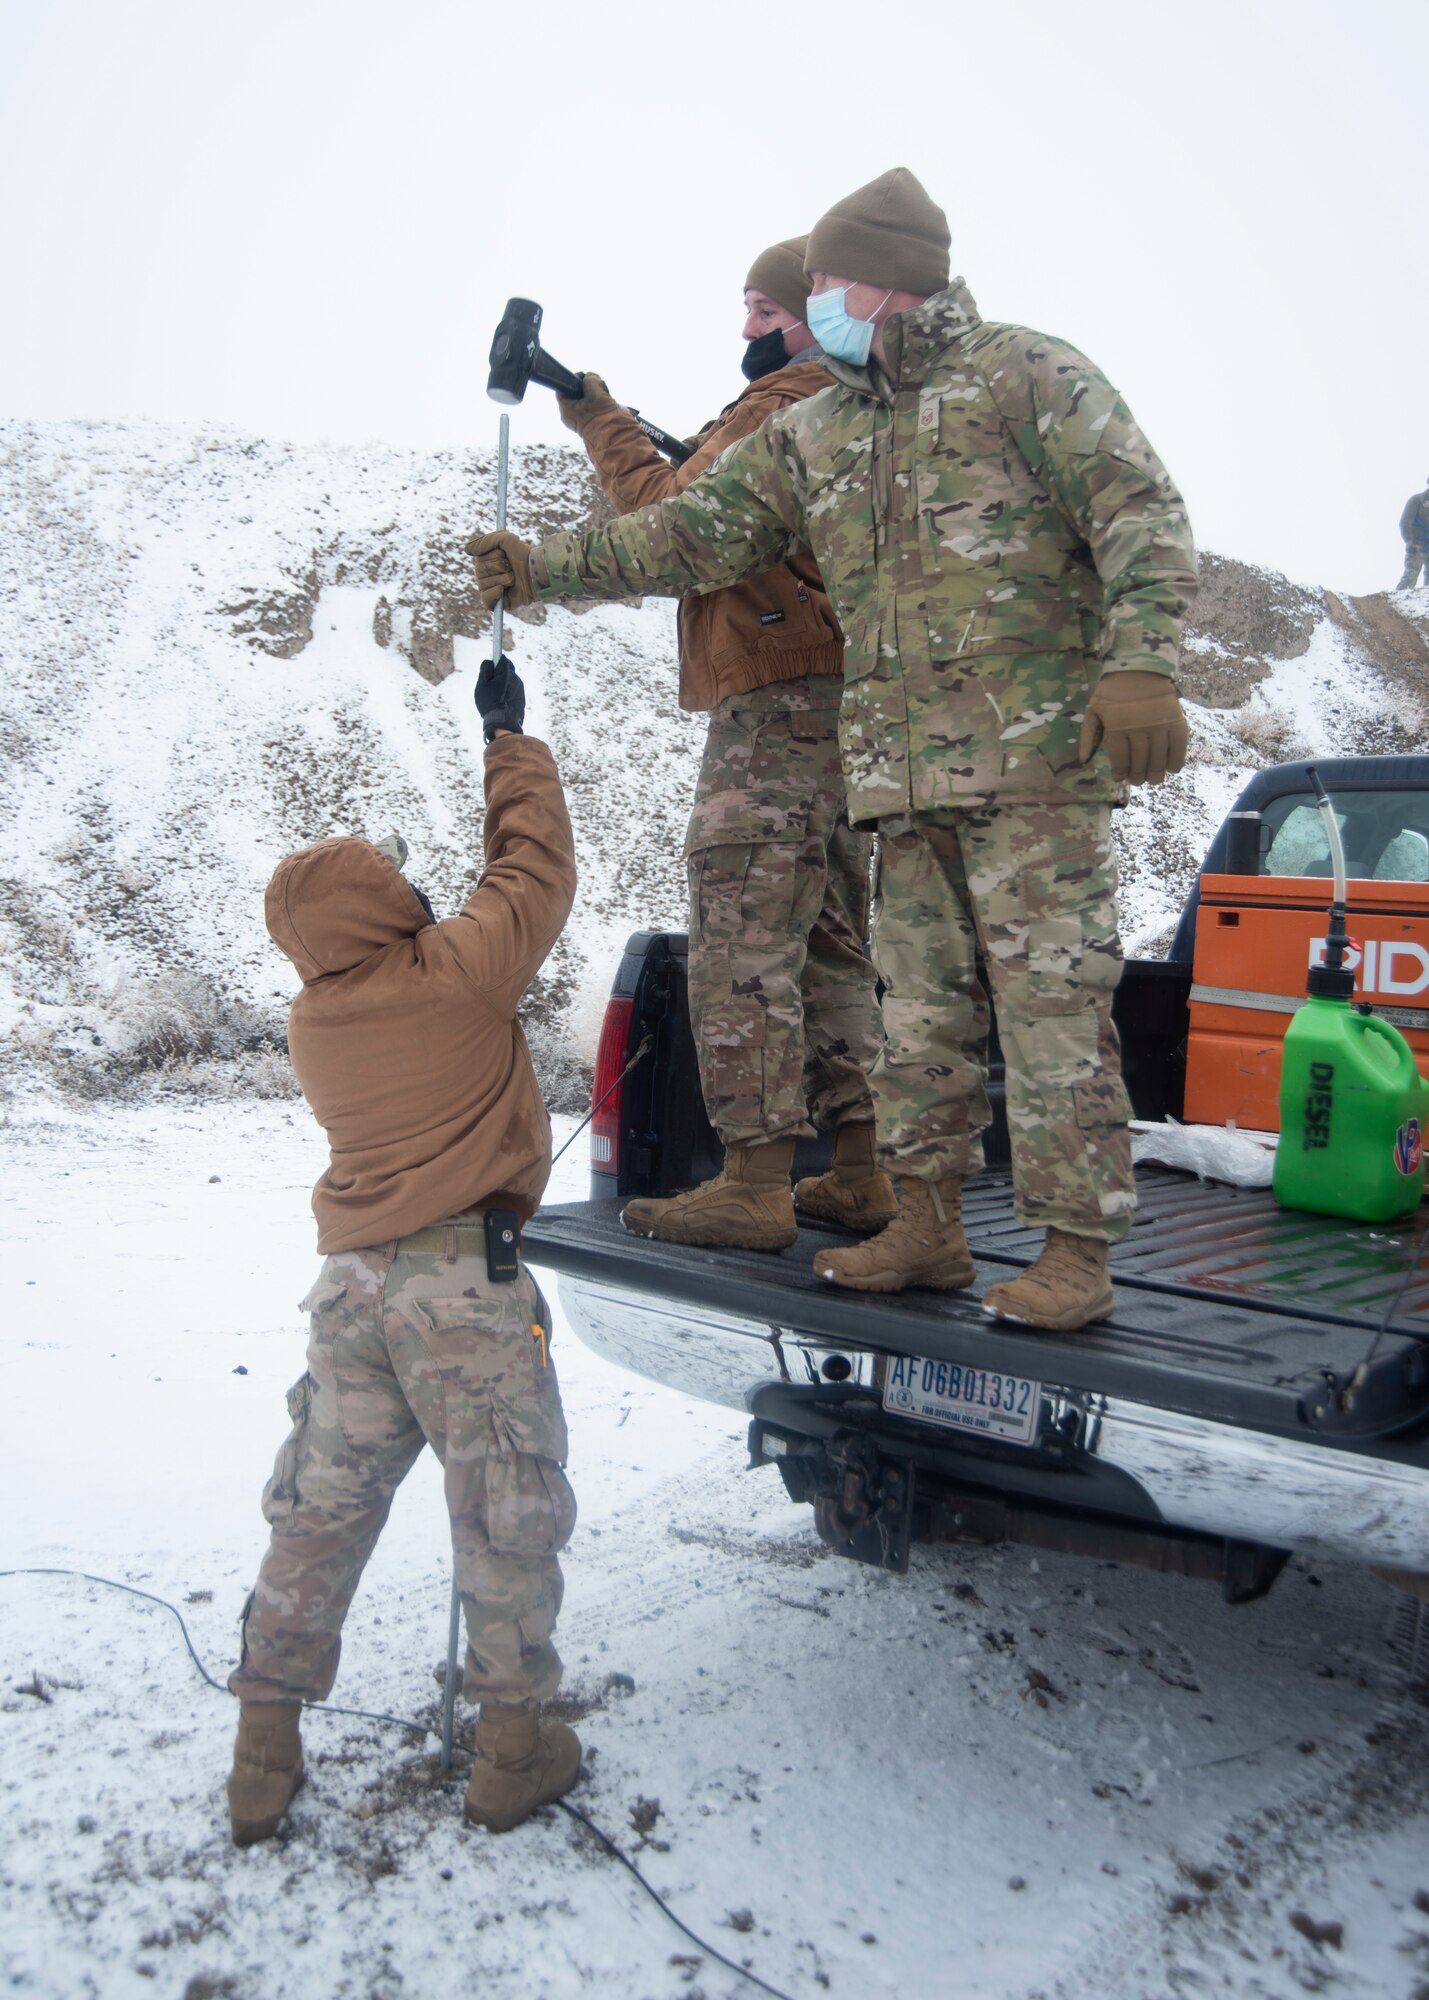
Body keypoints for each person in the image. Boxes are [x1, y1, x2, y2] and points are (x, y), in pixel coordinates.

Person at [471, 169, 1198, 1334]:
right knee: (921, 1019)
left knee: (1053, 1007)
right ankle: (926, 1224)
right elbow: (690, 532)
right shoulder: (819, 427)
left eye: (823, 279)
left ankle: (1074, 1250)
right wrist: (542, 568)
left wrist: (1144, 661)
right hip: (895, 777)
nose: (810, 298)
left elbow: (1140, 514)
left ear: (894, 276)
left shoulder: (1028, 374)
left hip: (1037, 769)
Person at [226, 658, 582, 1844]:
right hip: (457, 1290)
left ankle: (262, 1754)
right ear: (380, 907)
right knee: (504, 1517)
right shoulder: (451, 973)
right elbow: (530, 866)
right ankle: (513, 1749)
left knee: (317, 1512)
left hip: (351, 1294)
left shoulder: (314, 1016)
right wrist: (507, 741)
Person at [545, 236, 891, 1252]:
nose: (746, 327)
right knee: (829, 935)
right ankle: (863, 1169)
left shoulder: (789, 393)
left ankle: (751, 1180)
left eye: (758, 305)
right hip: (844, 702)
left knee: (742, 925)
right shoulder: (854, 400)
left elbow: (669, 517)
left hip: (779, 697)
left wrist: (595, 421)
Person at [1399, 480, 1429, 589]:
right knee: (1410, 577)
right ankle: (1398, 602)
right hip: (1417, 546)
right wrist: (1409, 541)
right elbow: (1405, 522)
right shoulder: (1417, 500)